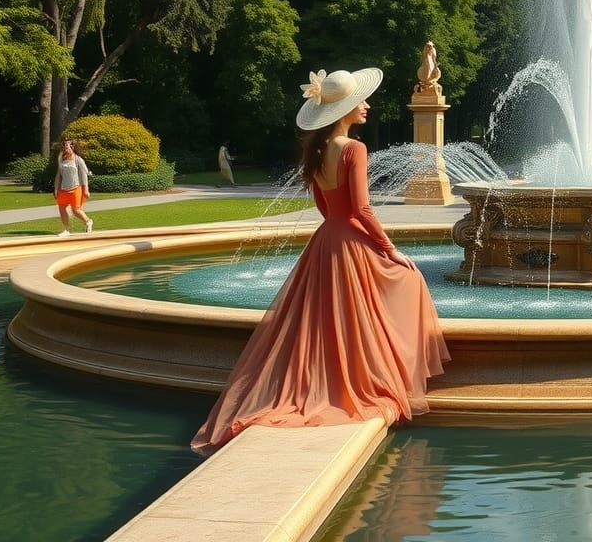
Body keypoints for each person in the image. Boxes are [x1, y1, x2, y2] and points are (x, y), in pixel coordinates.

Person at [191, 67, 449, 455]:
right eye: (360, 101)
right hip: (350, 240)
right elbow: (361, 209)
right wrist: (390, 249)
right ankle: (367, 377)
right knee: (408, 282)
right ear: (344, 110)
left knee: (325, 315)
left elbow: (325, 207)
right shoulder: (354, 149)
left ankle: (331, 378)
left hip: (326, 241)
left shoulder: (316, 151)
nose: (367, 105)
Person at [53, 139, 93, 237]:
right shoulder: (61, 159)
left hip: (76, 188)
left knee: (76, 210)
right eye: (64, 145)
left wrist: (86, 189)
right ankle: (66, 230)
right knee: (62, 208)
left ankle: (88, 221)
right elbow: (59, 175)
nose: (65, 147)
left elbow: (84, 174)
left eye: (67, 145)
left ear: (72, 147)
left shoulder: (78, 159)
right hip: (63, 189)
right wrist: (56, 189)